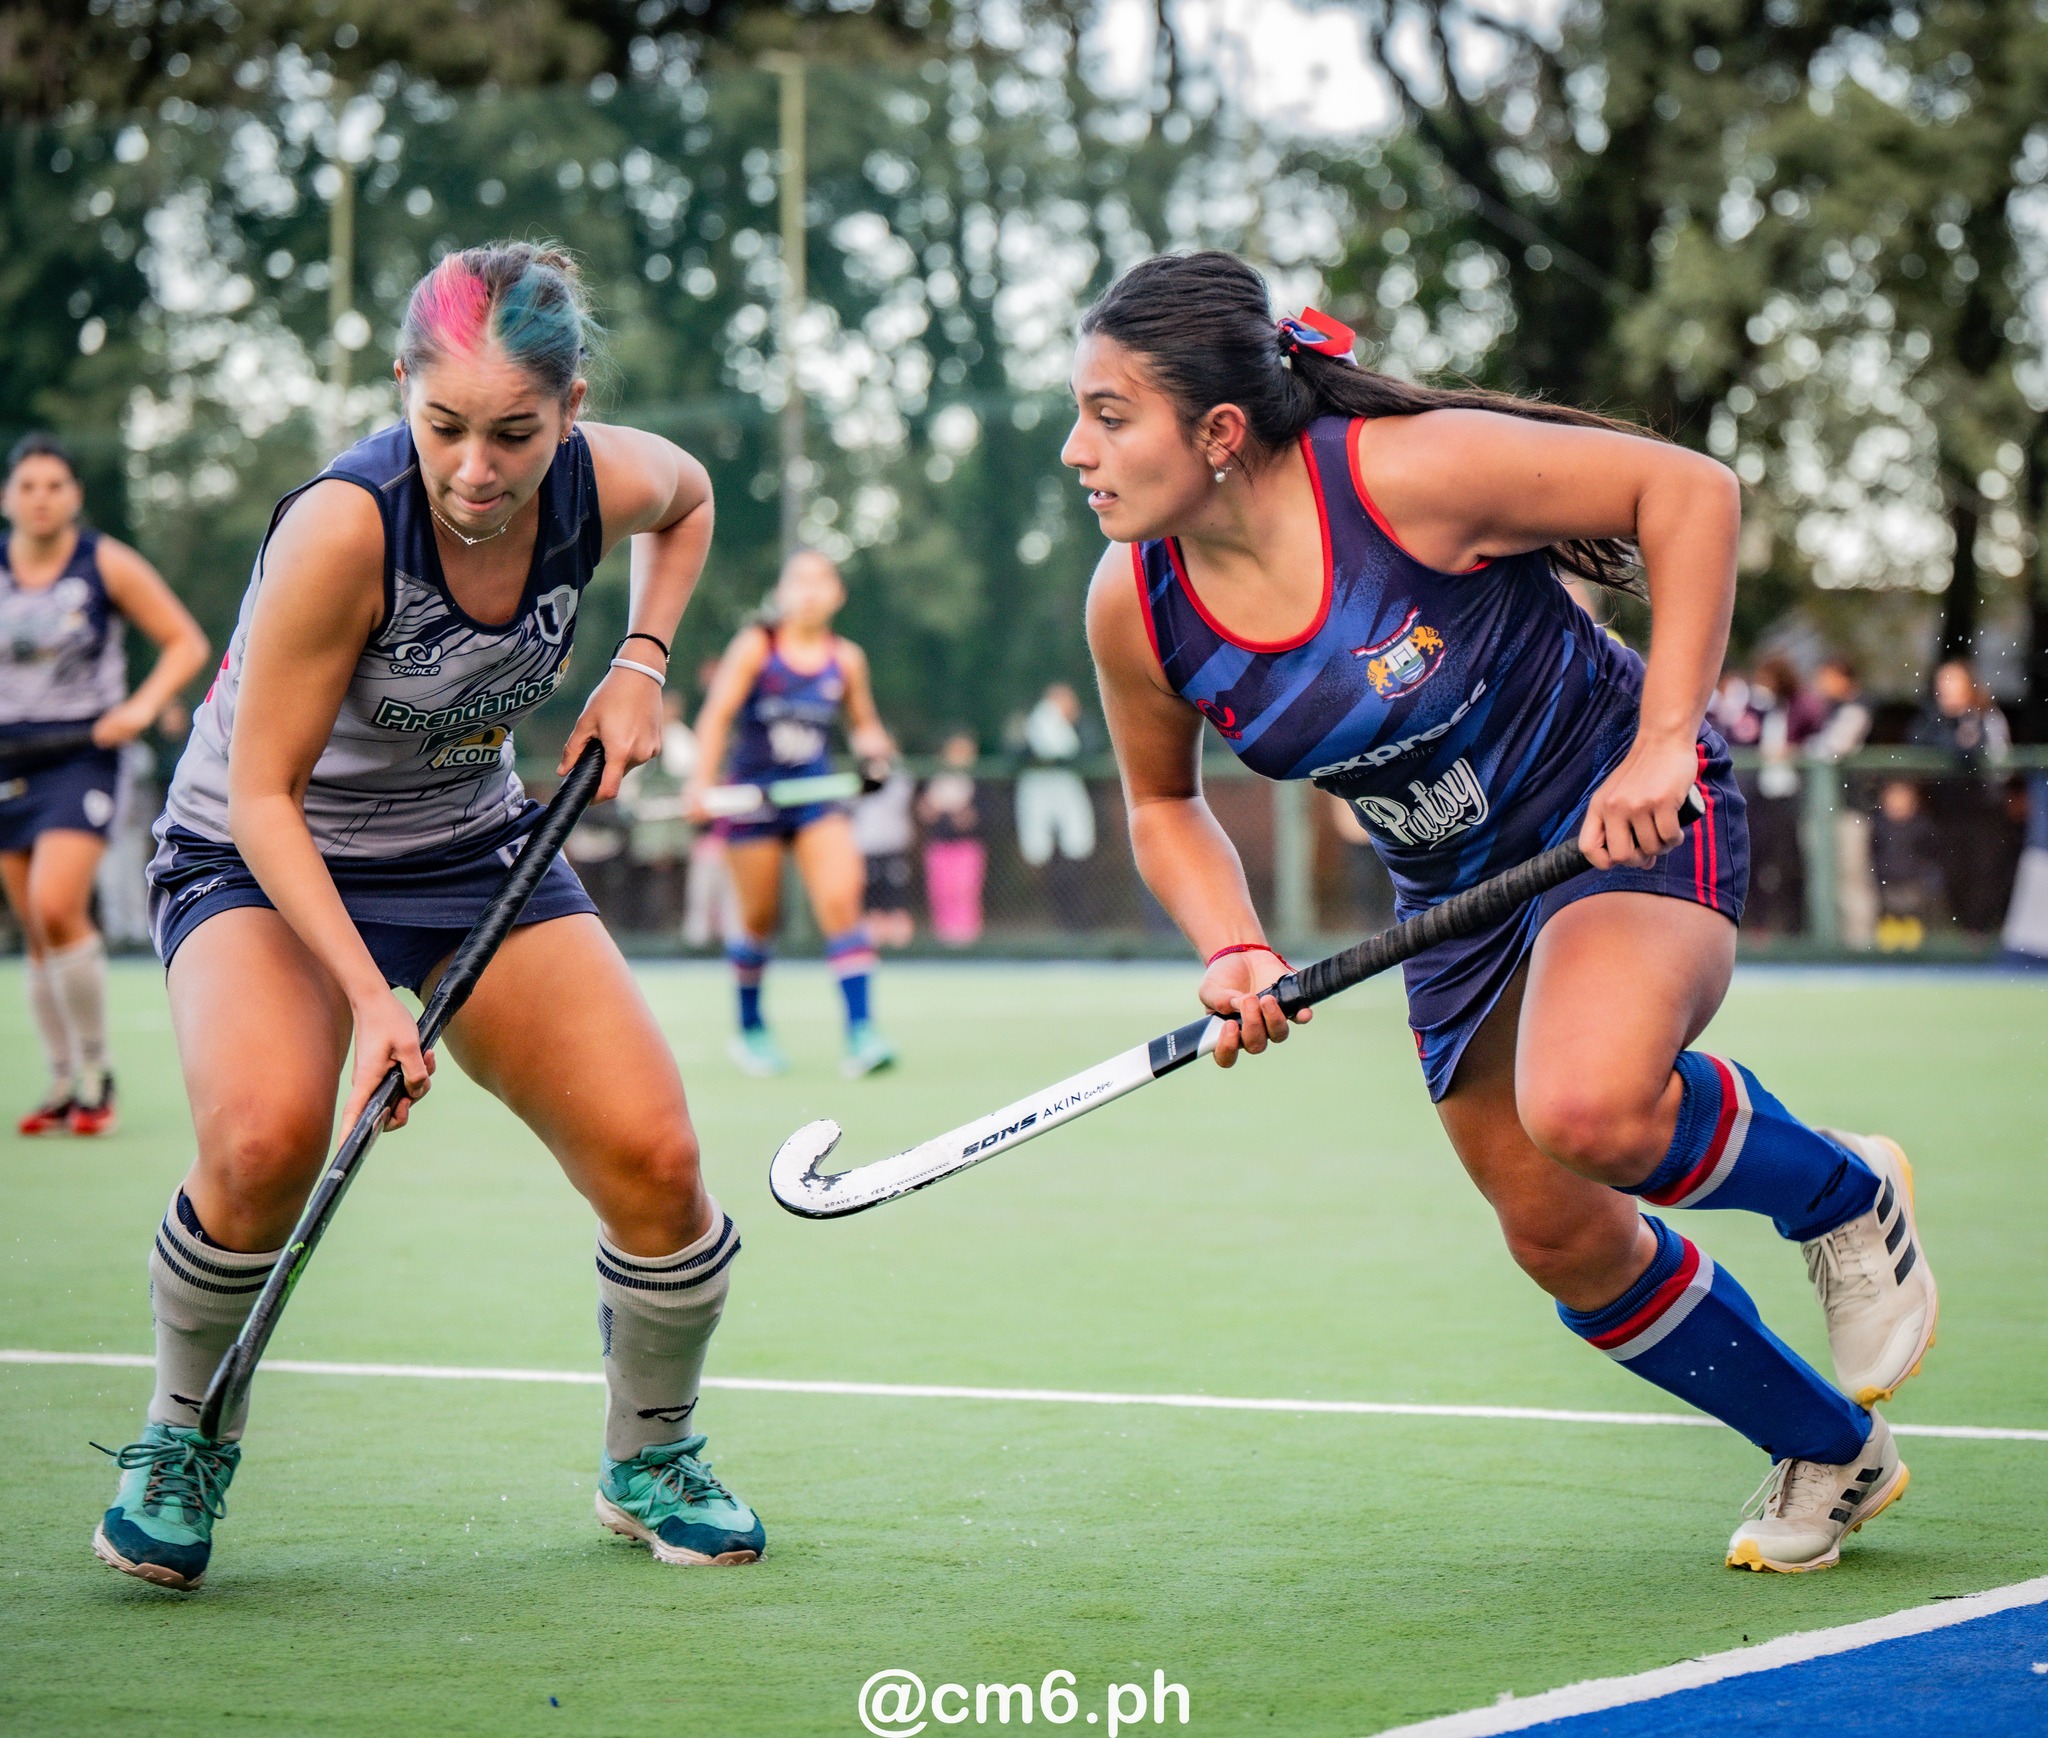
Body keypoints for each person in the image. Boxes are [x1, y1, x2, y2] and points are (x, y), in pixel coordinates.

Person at [1068, 251, 1936, 1574]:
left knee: (1588, 1105)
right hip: (1459, 900)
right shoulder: (1138, 608)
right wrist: (1232, 944)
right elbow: (1163, 804)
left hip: (1621, 808)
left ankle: (1845, 1192)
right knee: (1555, 1224)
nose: (1079, 447)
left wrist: (1662, 739)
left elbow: (1687, 491)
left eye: (1110, 413)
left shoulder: (1400, 478)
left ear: (1221, 431)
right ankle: (1829, 1448)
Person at [92, 243, 764, 1593]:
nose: (476, 468)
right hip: (258, 857)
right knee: (267, 1138)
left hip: (471, 846)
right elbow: (268, 797)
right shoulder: (349, 527)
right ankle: (180, 1430)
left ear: (570, 409)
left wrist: (640, 663)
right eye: (444, 425)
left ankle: (649, 1457)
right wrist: (366, 998)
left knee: (655, 1156)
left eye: (516, 432)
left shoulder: (598, 479)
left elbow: (690, 500)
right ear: (402, 388)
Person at [1, 433, 209, 1135]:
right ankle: (62, 1086)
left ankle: (99, 1079)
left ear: (74, 497)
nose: (40, 498)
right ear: (8, 497)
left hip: (83, 755)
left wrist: (142, 708)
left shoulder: (103, 563)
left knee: (57, 902)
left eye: (54, 485)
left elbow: (185, 640)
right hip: (9, 758)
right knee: (34, 926)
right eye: (27, 486)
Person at [686, 550, 897, 1077]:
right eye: (797, 581)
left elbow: (865, 723)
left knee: (841, 900)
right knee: (759, 920)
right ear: (781, 593)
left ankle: (861, 1034)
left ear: (837, 595)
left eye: (819, 581)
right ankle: (752, 1031)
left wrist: (875, 754)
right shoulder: (757, 647)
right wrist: (699, 784)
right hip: (752, 799)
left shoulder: (846, 659)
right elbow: (716, 718)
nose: (807, 591)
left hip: (814, 796)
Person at [1014, 680, 1097, 928]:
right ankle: (1058, 922)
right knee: (1048, 861)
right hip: (1041, 803)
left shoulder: (1082, 728)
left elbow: (1087, 753)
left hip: (1074, 809)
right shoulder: (1031, 728)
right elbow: (1019, 756)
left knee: (1074, 861)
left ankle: (1077, 924)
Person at [1809, 657, 1876, 950]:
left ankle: (1860, 946)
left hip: (1849, 808)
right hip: (1820, 809)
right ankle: (1828, 947)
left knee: (1852, 878)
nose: (1821, 684)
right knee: (1823, 882)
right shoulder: (1822, 708)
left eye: (1828, 677)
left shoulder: (1858, 707)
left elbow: (1830, 748)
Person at [919, 730, 987, 945]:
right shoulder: (936, 778)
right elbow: (923, 810)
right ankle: (944, 939)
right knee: (941, 892)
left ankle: (967, 939)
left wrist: (966, 816)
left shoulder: (979, 780)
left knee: (965, 892)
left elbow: (981, 815)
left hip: (967, 845)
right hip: (940, 844)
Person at [853, 766, 918, 949]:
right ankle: (875, 938)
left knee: (895, 893)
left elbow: (901, 796)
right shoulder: (857, 774)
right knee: (871, 895)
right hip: (868, 845)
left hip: (893, 845)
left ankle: (899, 941)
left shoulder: (898, 776)